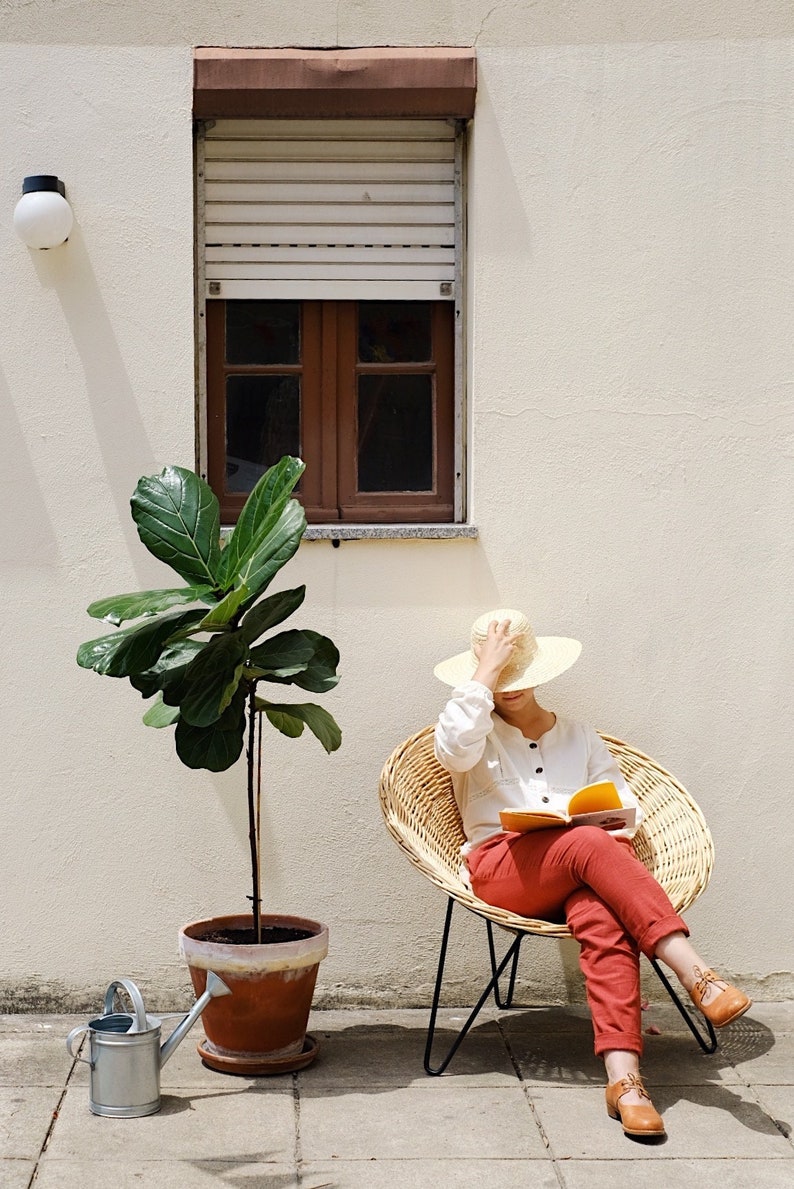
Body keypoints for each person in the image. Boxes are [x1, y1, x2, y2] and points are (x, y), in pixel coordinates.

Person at [433, 608, 751, 1140]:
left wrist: (614, 827)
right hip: (504, 869)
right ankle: (695, 971)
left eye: (519, 677)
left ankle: (625, 1083)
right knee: (585, 843)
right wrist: (484, 675)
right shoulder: (474, 733)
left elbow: (623, 804)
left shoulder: (580, 735)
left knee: (603, 913)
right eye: (503, 678)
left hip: (582, 868)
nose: (513, 689)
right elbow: (452, 747)